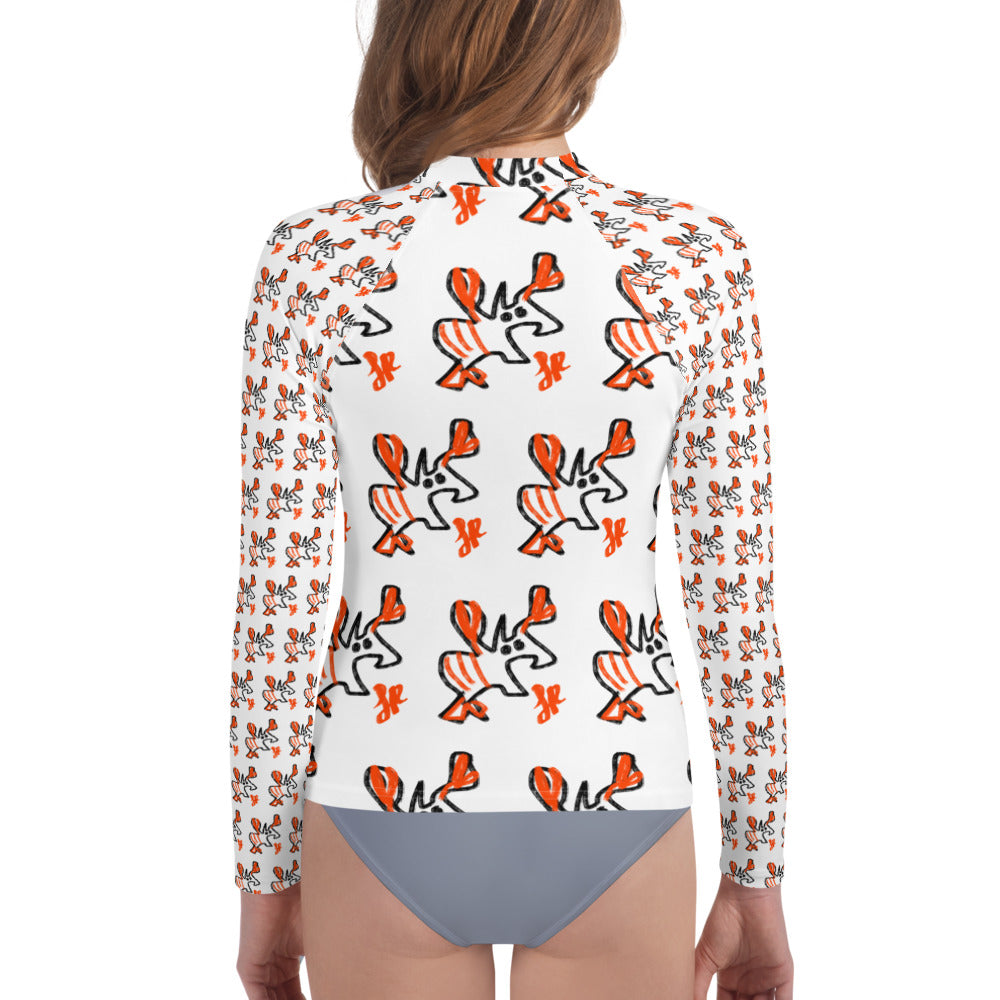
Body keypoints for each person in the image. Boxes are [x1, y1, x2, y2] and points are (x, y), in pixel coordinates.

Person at [232, 2, 793, 998]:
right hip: (617, 799)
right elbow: (735, 599)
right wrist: (757, 868)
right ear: (588, 35)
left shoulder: (316, 260)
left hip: (377, 807)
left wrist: (263, 877)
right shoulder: (688, 257)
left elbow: (276, 604)